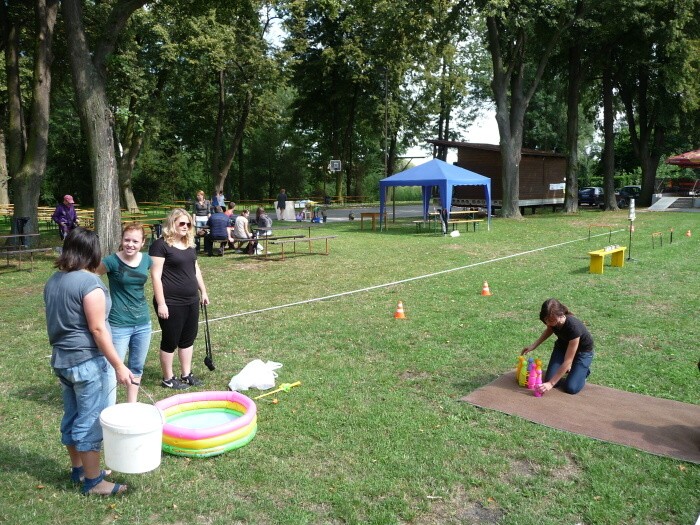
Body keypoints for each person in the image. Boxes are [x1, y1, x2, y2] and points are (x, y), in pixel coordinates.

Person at [44, 227, 134, 496]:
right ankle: (94, 483)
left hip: (63, 361)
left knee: (72, 416)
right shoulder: (90, 284)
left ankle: (80, 469)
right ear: (92, 251)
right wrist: (119, 365)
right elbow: (97, 330)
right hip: (87, 362)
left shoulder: (53, 280)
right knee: (90, 420)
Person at [149, 209, 209, 390]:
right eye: (181, 223)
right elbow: (155, 276)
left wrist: (203, 292)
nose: (185, 227)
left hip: (191, 299)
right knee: (170, 340)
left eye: (188, 224)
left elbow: (195, 269)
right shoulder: (160, 245)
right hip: (170, 301)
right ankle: (168, 378)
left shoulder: (189, 244)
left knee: (187, 339)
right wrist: (161, 303)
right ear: (172, 223)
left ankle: (186, 374)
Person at [97, 223, 152, 404]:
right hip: (119, 324)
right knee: (113, 368)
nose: (130, 244)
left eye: (135, 241)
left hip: (143, 323)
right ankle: (108, 406)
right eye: (127, 240)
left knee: (137, 366)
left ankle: (132, 404)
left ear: (142, 243)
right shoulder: (111, 261)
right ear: (121, 240)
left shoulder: (146, 260)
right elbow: (90, 276)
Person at [521, 298, 594, 395]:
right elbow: (549, 330)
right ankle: (570, 370)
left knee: (571, 388)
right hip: (562, 347)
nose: (548, 323)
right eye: (546, 320)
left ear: (560, 315)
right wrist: (533, 346)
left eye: (550, 321)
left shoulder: (573, 328)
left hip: (582, 353)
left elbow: (568, 360)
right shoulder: (552, 320)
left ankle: (584, 371)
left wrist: (550, 384)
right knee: (552, 379)